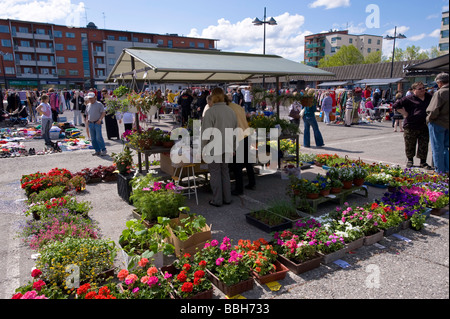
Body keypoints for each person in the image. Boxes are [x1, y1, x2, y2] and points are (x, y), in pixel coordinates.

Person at [201, 88, 238, 207]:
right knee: (225, 172)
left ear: (213, 97)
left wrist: (202, 148)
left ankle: (217, 200)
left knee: (215, 173)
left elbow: (206, 133)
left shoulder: (210, 112)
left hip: (214, 147)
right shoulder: (230, 111)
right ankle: (227, 198)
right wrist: (233, 147)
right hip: (227, 147)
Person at [393, 82, 432, 169]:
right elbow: (396, 105)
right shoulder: (408, 98)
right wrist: (405, 113)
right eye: (420, 89)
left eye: (423, 88)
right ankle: (410, 160)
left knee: (424, 144)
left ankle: (423, 162)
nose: (422, 90)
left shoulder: (429, 97)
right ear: (414, 90)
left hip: (424, 125)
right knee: (410, 144)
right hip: (411, 125)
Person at [225, 95, 256, 195]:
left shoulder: (227, 109)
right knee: (247, 161)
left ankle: (239, 189)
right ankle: (252, 183)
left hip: (237, 137)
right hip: (246, 135)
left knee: (236, 165)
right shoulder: (238, 106)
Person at [426, 73, 449, 174]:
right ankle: (447, 169)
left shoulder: (440, 92)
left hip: (438, 122)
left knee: (437, 148)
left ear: (439, 82)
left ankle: (439, 171)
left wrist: (429, 119)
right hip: (448, 123)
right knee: (445, 147)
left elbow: (434, 110)